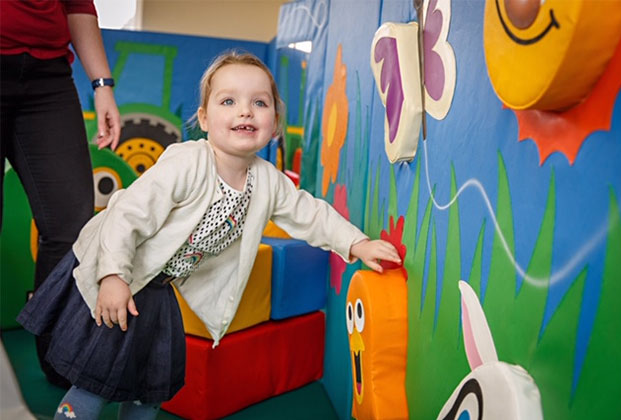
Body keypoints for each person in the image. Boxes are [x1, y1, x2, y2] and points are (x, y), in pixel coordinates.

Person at [17, 51, 401, 420]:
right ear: (203, 117)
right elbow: (126, 214)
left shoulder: (267, 181)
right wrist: (114, 275)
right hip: (115, 266)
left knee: (152, 382)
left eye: (260, 103)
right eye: (229, 101)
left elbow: (310, 214)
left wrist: (356, 242)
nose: (245, 111)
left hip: (157, 287)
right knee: (96, 377)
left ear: (276, 123)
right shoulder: (187, 162)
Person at [0, 0, 121, 389]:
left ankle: (58, 355)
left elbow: (77, 4)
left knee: (71, 225)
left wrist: (102, 85)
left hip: (48, 80)